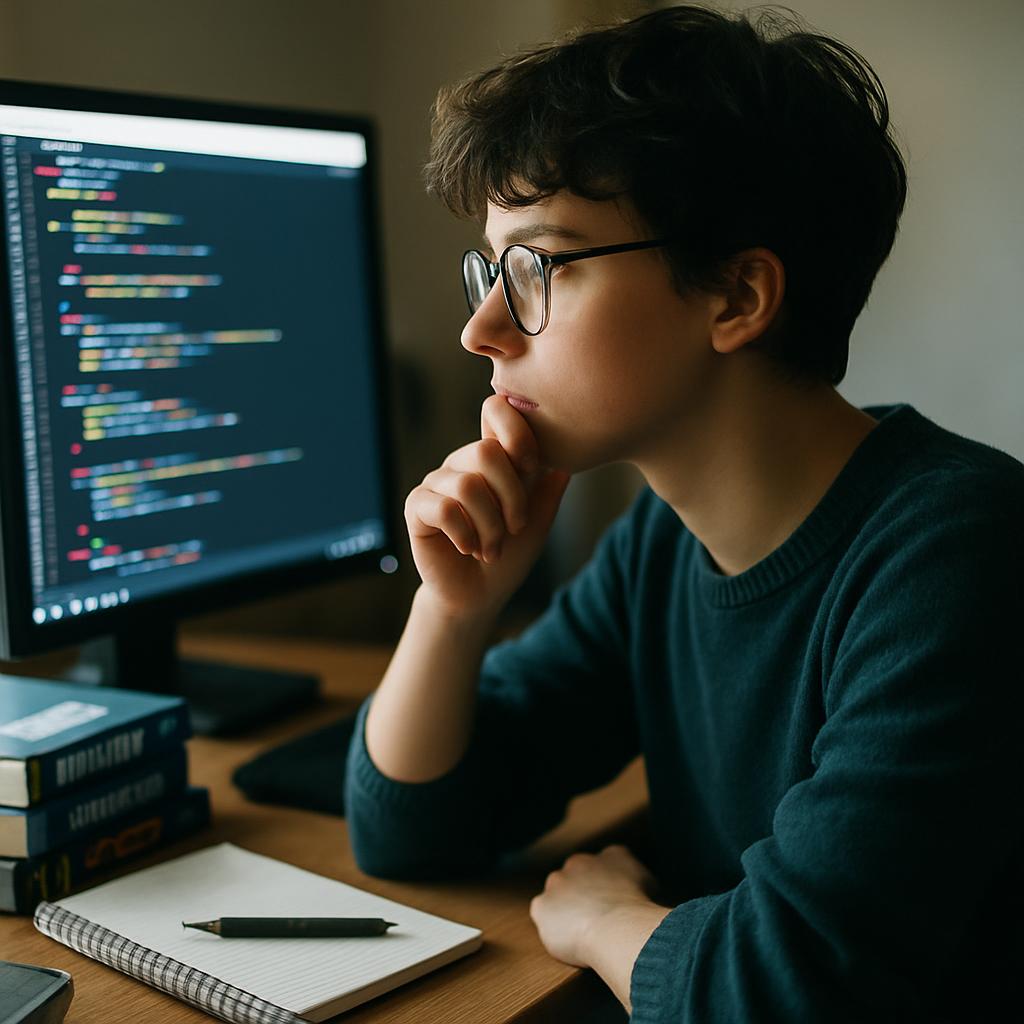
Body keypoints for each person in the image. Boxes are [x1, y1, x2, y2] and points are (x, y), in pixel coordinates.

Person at [344, 5, 1024, 1021]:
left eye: (537, 266)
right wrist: (453, 609)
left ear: (736, 297)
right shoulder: (662, 542)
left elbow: (789, 989)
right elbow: (411, 829)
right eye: (489, 269)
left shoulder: (956, 550)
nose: (480, 327)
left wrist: (605, 918)